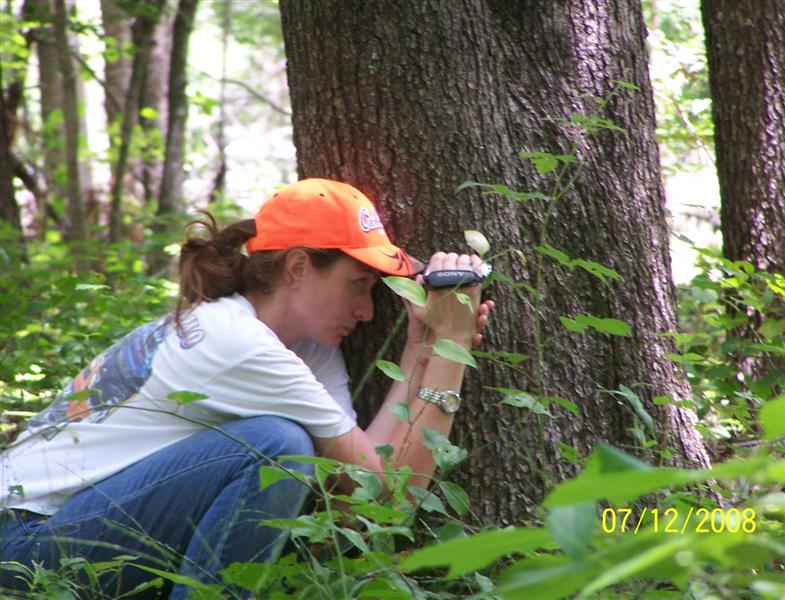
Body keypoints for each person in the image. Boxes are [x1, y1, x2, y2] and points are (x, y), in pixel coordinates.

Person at [0, 178, 493, 598]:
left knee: (286, 446)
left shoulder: (306, 346)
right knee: (278, 446)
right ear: (298, 268)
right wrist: (451, 348)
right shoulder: (239, 344)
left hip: (69, 526)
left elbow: (358, 494)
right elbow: (391, 499)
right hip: (20, 544)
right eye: (359, 283)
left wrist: (422, 349)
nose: (367, 311)